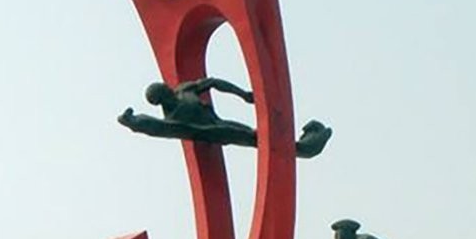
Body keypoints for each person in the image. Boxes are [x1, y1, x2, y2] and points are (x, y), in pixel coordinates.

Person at [118, 77, 332, 156]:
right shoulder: (173, 118)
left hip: (219, 123)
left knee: (257, 136)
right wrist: (132, 122)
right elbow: (154, 127)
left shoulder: (184, 90)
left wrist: (243, 94)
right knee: (257, 138)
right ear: (160, 100)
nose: (168, 89)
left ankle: (305, 147)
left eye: (165, 87)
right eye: (164, 91)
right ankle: (306, 148)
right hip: (213, 132)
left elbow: (213, 82)